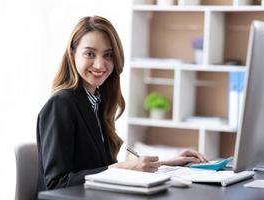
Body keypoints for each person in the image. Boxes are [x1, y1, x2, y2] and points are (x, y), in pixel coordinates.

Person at [36, 15, 207, 194]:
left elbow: (101, 170)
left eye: (108, 55)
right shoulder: (60, 105)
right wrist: (124, 167)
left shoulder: (97, 102)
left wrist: (167, 163)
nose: (100, 64)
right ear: (72, 54)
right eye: (90, 54)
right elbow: (56, 184)